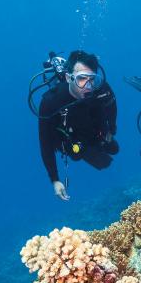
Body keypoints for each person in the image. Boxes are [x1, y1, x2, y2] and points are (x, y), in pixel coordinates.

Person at [38, 50, 118, 201]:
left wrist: (112, 129)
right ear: (69, 77)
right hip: (72, 137)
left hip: (94, 128)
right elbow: (45, 143)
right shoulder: (50, 102)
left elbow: (112, 106)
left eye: (92, 79)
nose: (88, 85)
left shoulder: (101, 88)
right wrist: (55, 179)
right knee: (84, 156)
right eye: (81, 79)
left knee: (114, 149)